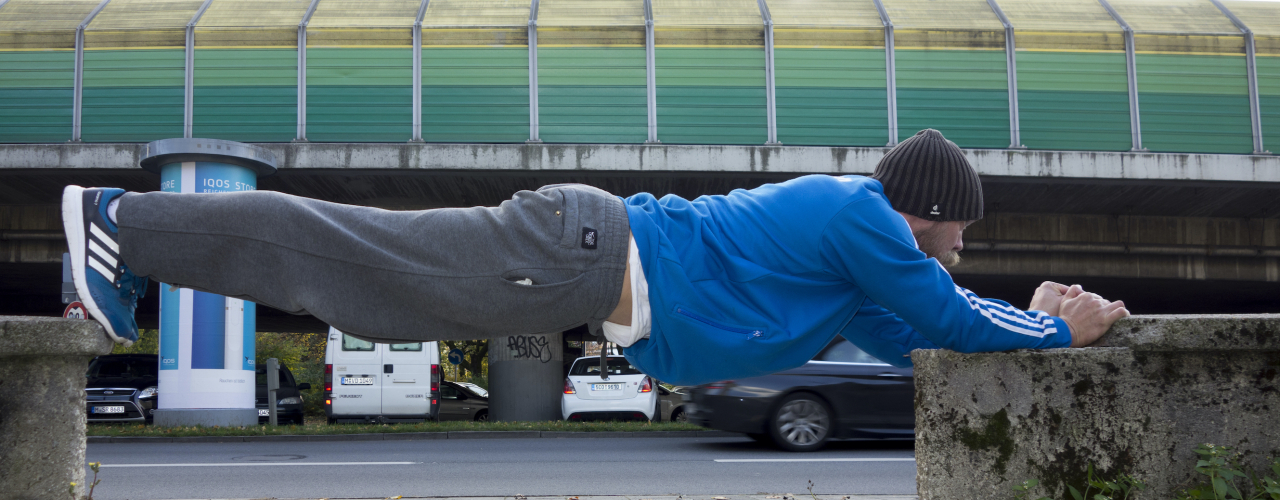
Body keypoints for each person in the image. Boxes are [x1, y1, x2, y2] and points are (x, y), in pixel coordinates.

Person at [63, 129, 1128, 386]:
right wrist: (1057, 322)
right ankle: (119, 219)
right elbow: (943, 311)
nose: (960, 240)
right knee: (359, 260)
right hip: (580, 249)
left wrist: (1026, 314)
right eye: (958, 225)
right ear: (926, 209)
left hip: (575, 262)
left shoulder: (856, 266)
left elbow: (918, 341)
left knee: (370, 293)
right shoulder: (860, 216)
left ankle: (136, 251)